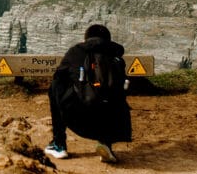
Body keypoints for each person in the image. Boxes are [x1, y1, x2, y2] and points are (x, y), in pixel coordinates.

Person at [44, 23, 132, 163]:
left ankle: (59, 144)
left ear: (86, 38)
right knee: (112, 96)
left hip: (79, 119)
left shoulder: (76, 52)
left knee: (56, 85)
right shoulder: (117, 58)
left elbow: (59, 76)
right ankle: (106, 143)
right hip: (115, 125)